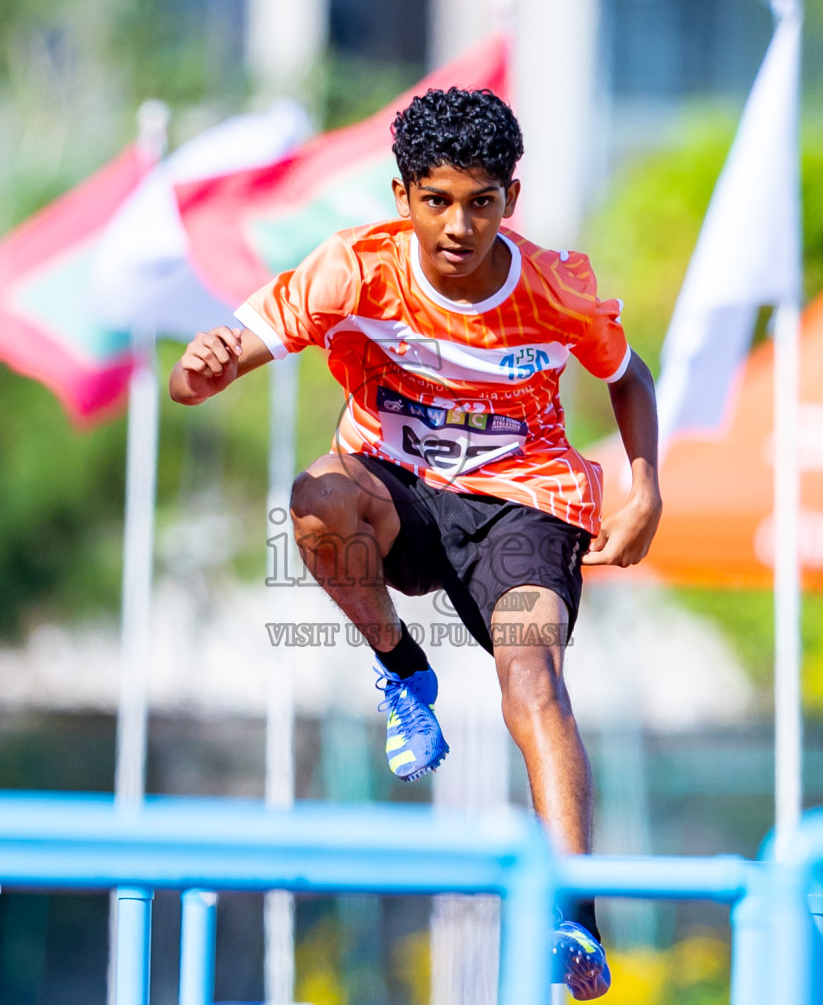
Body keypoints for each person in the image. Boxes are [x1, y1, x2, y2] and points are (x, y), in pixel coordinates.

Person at [167, 86, 661, 1000]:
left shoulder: (553, 285)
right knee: (314, 496)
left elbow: (629, 378)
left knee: (532, 675)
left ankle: (575, 921)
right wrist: (205, 369)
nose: (459, 227)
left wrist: (645, 488)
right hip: (394, 496)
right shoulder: (355, 270)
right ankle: (402, 669)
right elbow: (227, 351)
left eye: (481, 203)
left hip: (522, 505)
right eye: (438, 201)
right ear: (404, 197)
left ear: (510, 198)